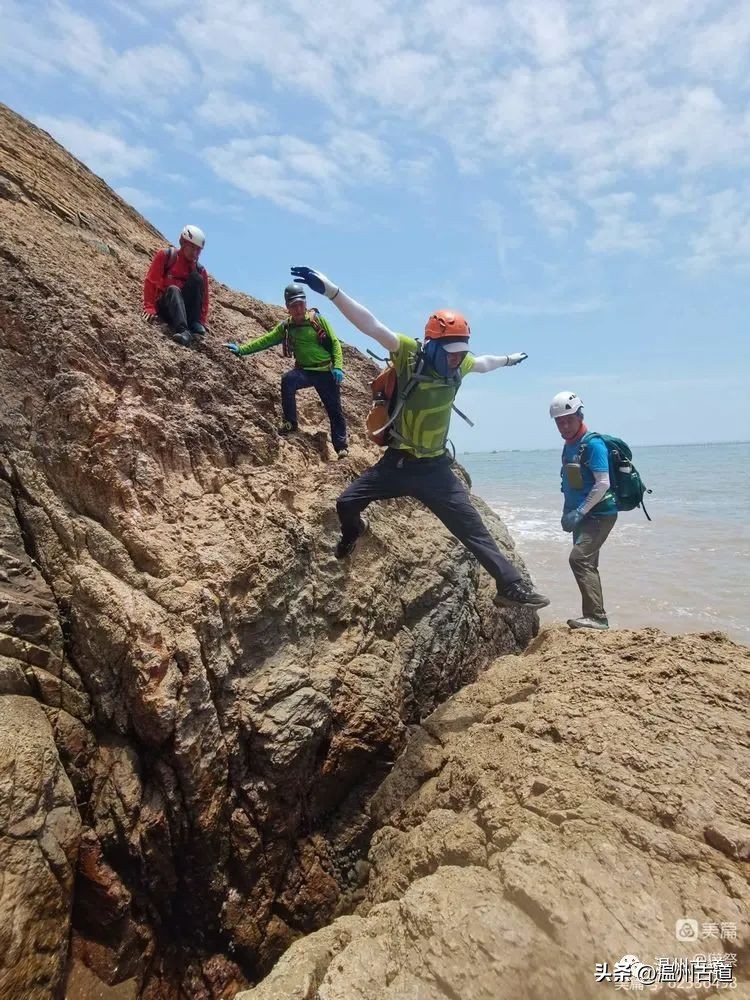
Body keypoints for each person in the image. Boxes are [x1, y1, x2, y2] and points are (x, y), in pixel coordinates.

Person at [288, 265, 550, 610]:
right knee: (346, 503)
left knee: (473, 530)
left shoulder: (461, 365)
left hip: (436, 470)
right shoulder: (410, 353)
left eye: (461, 352)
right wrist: (332, 291)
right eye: (452, 352)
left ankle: (512, 586)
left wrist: (508, 360)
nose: (458, 359)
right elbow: (371, 325)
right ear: (433, 346)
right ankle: (353, 533)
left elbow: (484, 362)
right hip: (396, 465)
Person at [226, 283, 349, 458]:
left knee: (334, 410)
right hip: (305, 371)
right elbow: (266, 340)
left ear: (305, 303)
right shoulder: (286, 327)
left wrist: (338, 367)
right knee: (288, 380)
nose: (298, 308)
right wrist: (241, 350)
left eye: (300, 304)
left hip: (326, 372)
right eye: (293, 305)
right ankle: (291, 422)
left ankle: (341, 447)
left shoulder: (318, 321)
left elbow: (335, 343)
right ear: (287, 307)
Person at [550, 391, 617, 630]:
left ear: (580, 416)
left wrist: (579, 511)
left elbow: (602, 483)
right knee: (588, 563)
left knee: (579, 559)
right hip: (580, 514)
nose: (564, 425)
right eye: (559, 421)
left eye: (569, 419)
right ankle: (592, 616)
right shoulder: (569, 446)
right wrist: (568, 512)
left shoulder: (593, 444)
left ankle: (597, 618)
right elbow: (571, 482)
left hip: (599, 514)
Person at [142, 225, 209, 347]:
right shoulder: (166, 256)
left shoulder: (200, 270)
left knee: (197, 279)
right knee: (174, 289)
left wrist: (202, 320)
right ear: (183, 243)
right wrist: (149, 306)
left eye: (198, 250)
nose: (194, 253)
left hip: (185, 310)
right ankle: (183, 331)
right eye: (192, 247)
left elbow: (204, 300)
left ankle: (194, 323)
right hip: (166, 307)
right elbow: (151, 281)